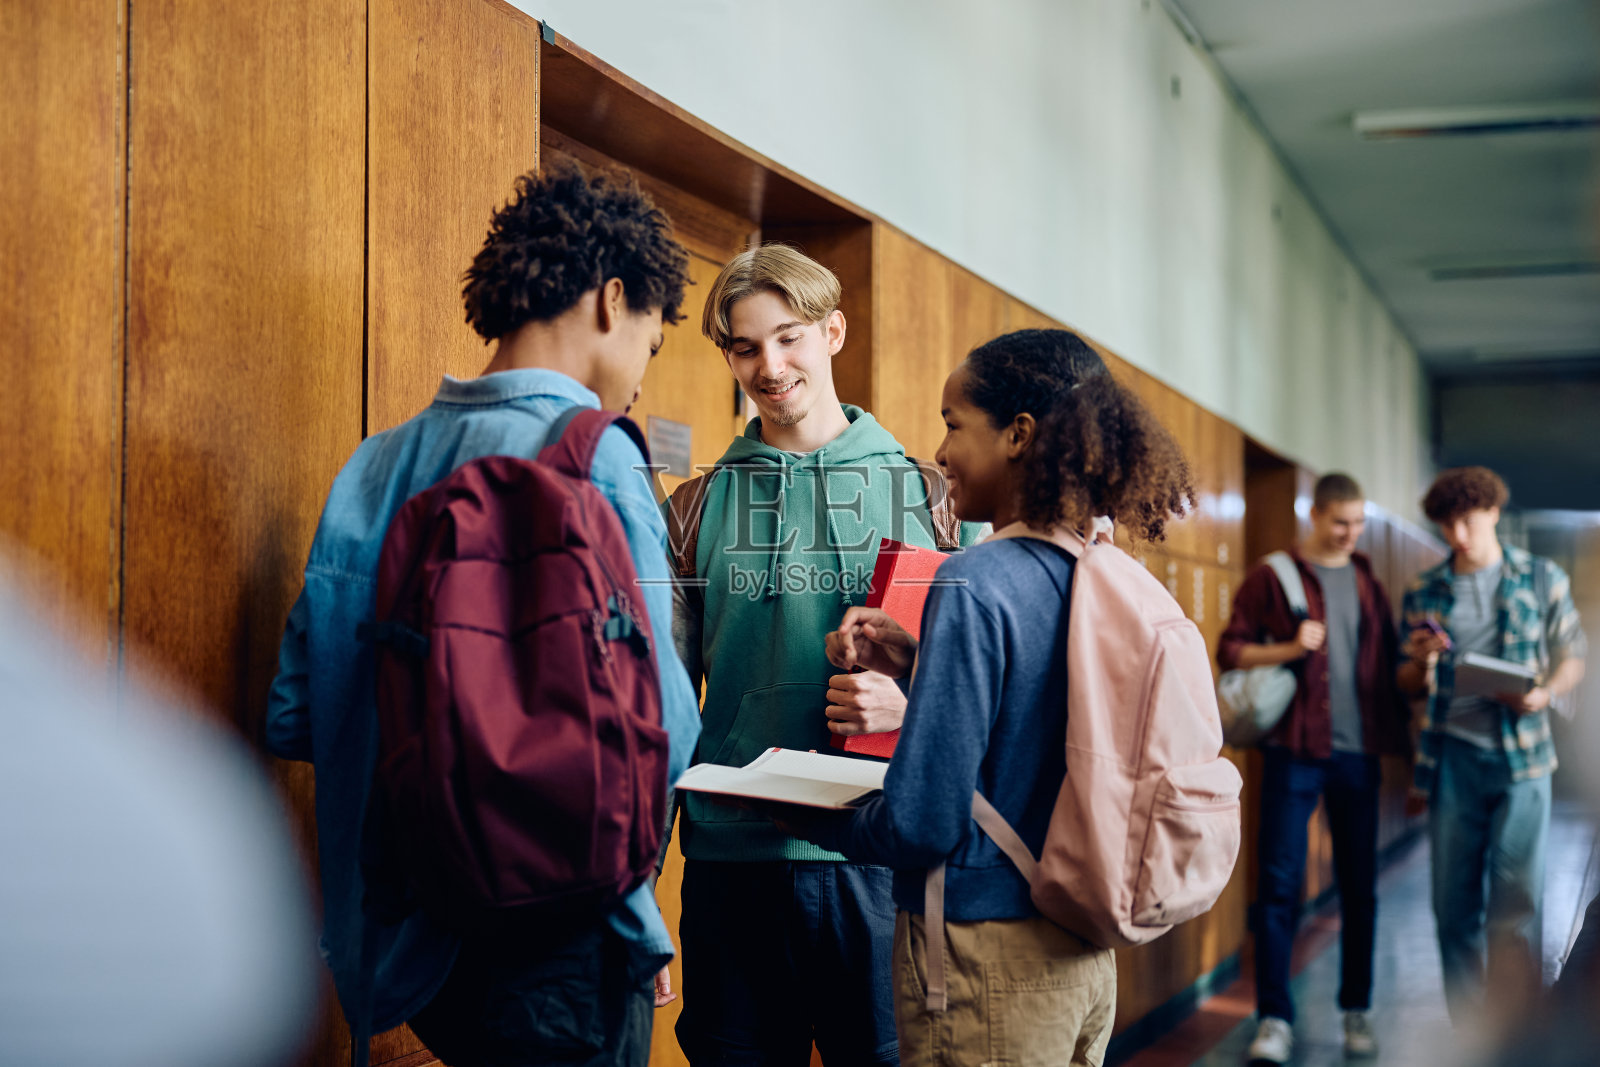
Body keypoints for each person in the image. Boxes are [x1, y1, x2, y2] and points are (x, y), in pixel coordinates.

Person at [265, 163, 701, 1067]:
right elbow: (667, 719)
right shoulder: (598, 457)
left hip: (406, 948)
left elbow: (296, 712)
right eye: (652, 346)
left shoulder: (373, 465)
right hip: (560, 940)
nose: (636, 382)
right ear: (613, 300)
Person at [783, 328, 1193, 1065]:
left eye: (953, 424)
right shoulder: (1096, 568)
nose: (940, 451)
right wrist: (923, 662)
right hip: (1081, 954)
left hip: (983, 964)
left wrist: (804, 814)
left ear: (1018, 435)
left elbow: (922, 826)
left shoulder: (975, 580)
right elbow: (1037, 715)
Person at [665, 244, 983, 1065]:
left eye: (790, 336)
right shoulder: (694, 507)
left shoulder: (938, 497)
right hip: (733, 860)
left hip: (883, 853)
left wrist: (912, 705)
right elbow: (657, 705)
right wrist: (634, 886)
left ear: (833, 332)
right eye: (745, 347)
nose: (769, 367)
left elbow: (998, 684)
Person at [1216, 473, 1409, 1062]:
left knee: (1359, 888)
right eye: (1341, 522)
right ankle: (1274, 1018)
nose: (1351, 533)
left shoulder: (1368, 581)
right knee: (1279, 887)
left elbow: (1389, 666)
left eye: (1359, 523)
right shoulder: (1274, 577)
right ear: (1316, 515)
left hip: (1358, 755)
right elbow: (1230, 651)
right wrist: (1290, 647)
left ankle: (1357, 1010)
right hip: (1295, 752)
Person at [1398, 466, 1586, 1027]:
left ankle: (1512, 1034)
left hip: (1522, 759)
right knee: (1453, 909)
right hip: (1451, 758)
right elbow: (1406, 683)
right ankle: (1468, 1034)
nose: (1458, 535)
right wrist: (1420, 663)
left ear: (1493, 512)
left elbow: (1572, 654)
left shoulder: (1541, 578)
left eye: (1468, 521)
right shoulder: (1424, 589)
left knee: (1515, 908)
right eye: (1447, 525)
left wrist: (1545, 693)